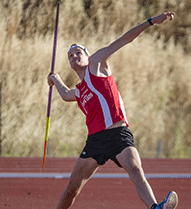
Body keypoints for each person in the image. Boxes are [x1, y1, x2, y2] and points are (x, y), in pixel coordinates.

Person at [48, 12, 178, 209]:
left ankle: (155, 207)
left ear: (87, 55)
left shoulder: (96, 63)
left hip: (118, 133)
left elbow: (125, 39)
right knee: (72, 189)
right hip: (95, 141)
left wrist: (151, 22)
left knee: (136, 170)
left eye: (78, 53)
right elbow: (66, 94)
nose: (74, 56)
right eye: (70, 56)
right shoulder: (80, 91)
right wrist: (55, 79)